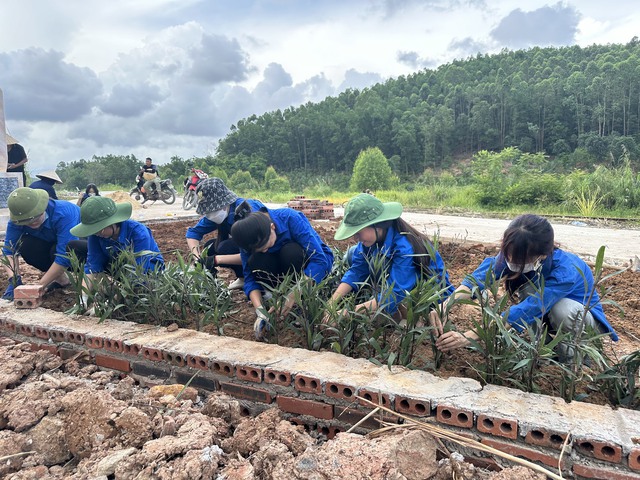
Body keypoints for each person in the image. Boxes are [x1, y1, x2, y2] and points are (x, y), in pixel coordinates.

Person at [429, 214, 618, 362]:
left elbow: (528, 309)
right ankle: (542, 351)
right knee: (532, 292)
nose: (510, 262)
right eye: (508, 255)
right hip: (549, 319)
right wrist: (445, 305)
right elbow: (476, 280)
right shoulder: (513, 254)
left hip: (582, 324)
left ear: (542, 255)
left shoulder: (565, 272)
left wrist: (467, 337)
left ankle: (573, 362)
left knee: (564, 310)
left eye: (519, 259)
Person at [323, 193, 453, 324]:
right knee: (352, 253)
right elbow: (357, 271)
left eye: (358, 233)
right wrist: (332, 303)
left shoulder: (405, 248)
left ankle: (410, 316)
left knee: (395, 313)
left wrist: (345, 313)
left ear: (376, 225)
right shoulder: (373, 239)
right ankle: (382, 305)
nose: (356, 238)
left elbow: (393, 295)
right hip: (398, 284)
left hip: (427, 294)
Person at [230, 202, 334, 339]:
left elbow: (320, 260)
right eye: (261, 250)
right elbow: (249, 278)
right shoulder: (248, 239)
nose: (266, 250)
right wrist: (260, 311)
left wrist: (293, 295)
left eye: (266, 245)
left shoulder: (290, 218)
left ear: (272, 227)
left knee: (291, 252)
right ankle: (277, 301)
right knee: (256, 260)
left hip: (307, 272)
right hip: (278, 274)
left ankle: (303, 301)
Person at [2, 187, 86, 300]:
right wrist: (14, 280)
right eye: (28, 221)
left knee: (56, 252)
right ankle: (62, 280)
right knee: (26, 245)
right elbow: (9, 251)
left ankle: (90, 282)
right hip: (52, 243)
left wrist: (39, 286)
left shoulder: (64, 213)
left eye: (36, 217)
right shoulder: (18, 220)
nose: (33, 222)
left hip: (81, 245)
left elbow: (65, 255)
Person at [185, 177, 264, 289]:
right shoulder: (216, 214)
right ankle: (242, 278)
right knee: (210, 247)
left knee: (224, 247)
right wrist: (197, 258)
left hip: (264, 251)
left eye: (211, 210)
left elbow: (257, 251)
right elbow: (193, 234)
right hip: (246, 248)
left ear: (223, 203)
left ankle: (259, 280)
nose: (210, 215)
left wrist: (216, 260)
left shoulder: (246, 210)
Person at [70, 196, 164, 277]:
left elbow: (140, 269)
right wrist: (84, 296)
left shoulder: (139, 233)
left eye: (99, 229)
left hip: (147, 267)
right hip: (118, 265)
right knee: (74, 247)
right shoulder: (96, 235)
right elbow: (93, 264)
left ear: (113, 222)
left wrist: (122, 294)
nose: (97, 234)